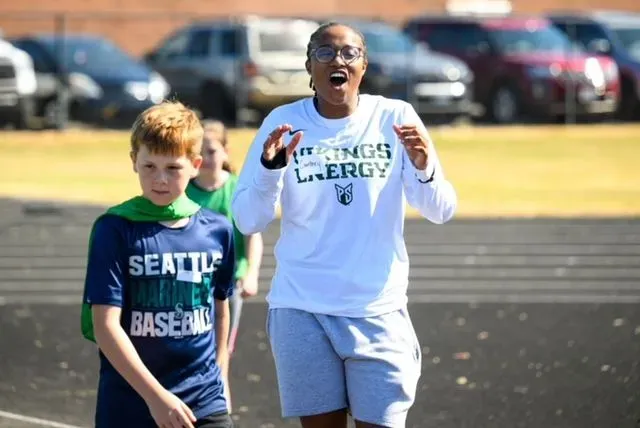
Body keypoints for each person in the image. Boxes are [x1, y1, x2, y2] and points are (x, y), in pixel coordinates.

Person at [231, 22, 457, 428]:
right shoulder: (282, 123)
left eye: (349, 53)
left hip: (377, 309)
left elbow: (441, 210)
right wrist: (270, 170)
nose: (338, 60)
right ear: (309, 66)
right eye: (325, 52)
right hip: (303, 309)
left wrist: (424, 168)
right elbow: (248, 219)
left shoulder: (396, 117)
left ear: (363, 66)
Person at [81, 101, 235, 428]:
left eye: (173, 168)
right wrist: (156, 398)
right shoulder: (115, 229)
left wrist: (221, 375)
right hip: (131, 400)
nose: (160, 180)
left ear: (195, 164)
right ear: (133, 161)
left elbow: (220, 307)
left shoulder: (218, 229)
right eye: (149, 166)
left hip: (204, 400)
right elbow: (105, 326)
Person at [186, 119, 264, 411]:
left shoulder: (236, 189)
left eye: (212, 150)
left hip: (229, 284)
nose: (206, 158)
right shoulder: (185, 190)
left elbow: (252, 235)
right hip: (191, 283)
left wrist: (252, 273)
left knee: (221, 354)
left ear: (225, 152)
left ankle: (220, 412)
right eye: (200, 151)